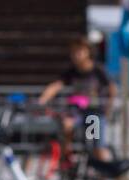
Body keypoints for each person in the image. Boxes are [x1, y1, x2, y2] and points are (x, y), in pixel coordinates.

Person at [38, 34, 120, 166]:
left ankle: (105, 170)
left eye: (80, 51)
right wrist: (43, 99)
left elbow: (112, 89)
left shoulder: (97, 70)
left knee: (96, 145)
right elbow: (56, 85)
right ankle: (67, 157)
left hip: (94, 113)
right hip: (77, 112)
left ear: (88, 52)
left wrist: (108, 108)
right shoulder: (72, 71)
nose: (76, 55)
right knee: (66, 125)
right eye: (74, 52)